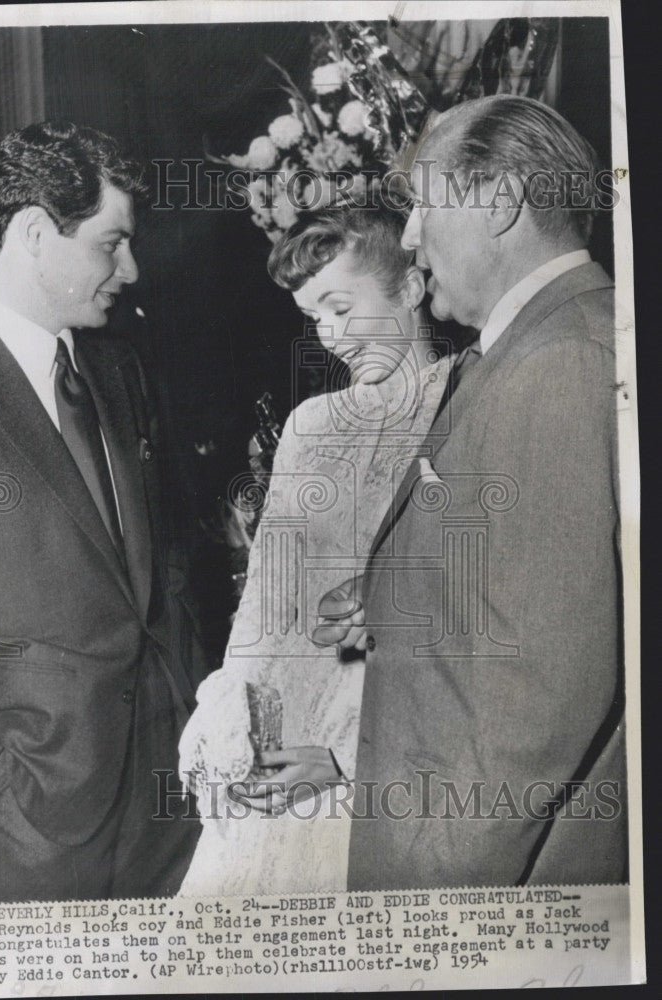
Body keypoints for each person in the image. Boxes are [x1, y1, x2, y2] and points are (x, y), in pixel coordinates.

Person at [315, 95, 626, 888]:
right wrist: (398, 583)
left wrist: (434, 897)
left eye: (424, 203)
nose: (411, 235)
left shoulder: (559, 362)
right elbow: (537, 583)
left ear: (501, 203)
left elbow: (538, 695)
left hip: (461, 872)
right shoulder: (536, 342)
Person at [0, 121, 208, 903]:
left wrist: (189, 700)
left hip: (167, 786)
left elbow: (162, 556)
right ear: (34, 232)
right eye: (112, 244)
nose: (131, 270)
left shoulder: (117, 366)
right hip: (35, 812)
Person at [177, 205, 453, 895]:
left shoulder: (467, 404)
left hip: (391, 757)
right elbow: (269, 593)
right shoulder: (310, 425)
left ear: (412, 288)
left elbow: (465, 624)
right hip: (285, 737)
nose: (329, 336)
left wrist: (345, 757)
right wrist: (230, 713)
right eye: (314, 318)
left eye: (340, 307)